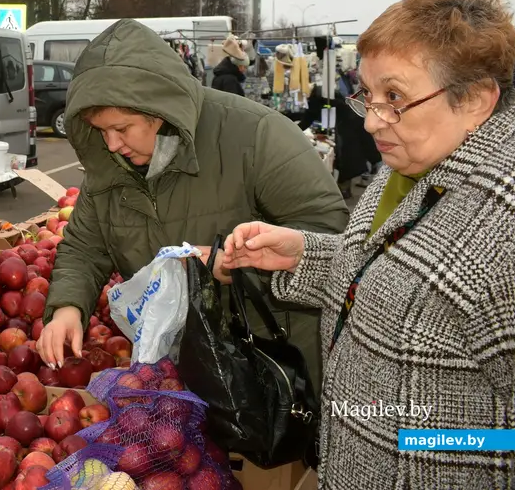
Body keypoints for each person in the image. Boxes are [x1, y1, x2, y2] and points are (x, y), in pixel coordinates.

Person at [222, 0, 515, 489]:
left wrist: (425, 445)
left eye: (395, 97)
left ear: (474, 100)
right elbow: (400, 279)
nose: (371, 118)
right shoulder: (415, 157)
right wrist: (304, 255)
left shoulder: (506, 228)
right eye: (369, 93)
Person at [37, 19, 349, 391]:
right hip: (183, 371)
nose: (111, 144)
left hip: (273, 368)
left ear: (156, 110)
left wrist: (237, 265)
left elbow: (329, 241)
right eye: (101, 131)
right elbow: (85, 246)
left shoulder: (257, 135)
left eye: (121, 129)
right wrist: (68, 308)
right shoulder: (108, 167)